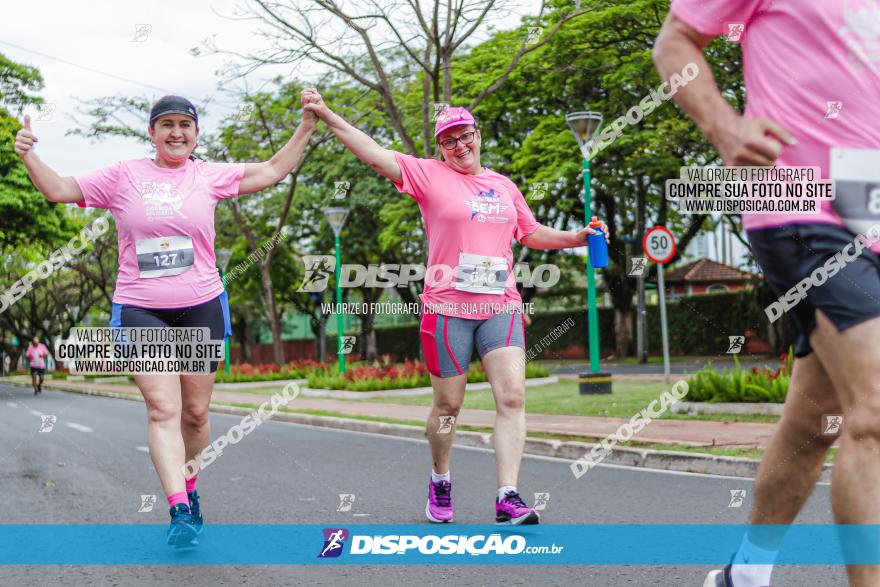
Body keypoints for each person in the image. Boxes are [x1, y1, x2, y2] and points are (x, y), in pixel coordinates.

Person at [14, 94, 318, 546]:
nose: (177, 132)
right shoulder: (123, 176)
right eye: (167, 124)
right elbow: (58, 189)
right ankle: (178, 508)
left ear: (196, 133)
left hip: (201, 305)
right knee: (163, 409)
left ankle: (190, 489)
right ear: (152, 132)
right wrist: (29, 155)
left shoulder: (209, 175)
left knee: (196, 415)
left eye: (185, 125)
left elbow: (273, 170)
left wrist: (308, 126)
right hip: (141, 307)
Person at [301, 89, 609, 525]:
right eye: (449, 140)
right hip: (446, 308)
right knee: (449, 407)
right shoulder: (428, 175)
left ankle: (508, 496)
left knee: (513, 396)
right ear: (440, 147)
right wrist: (328, 115)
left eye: (466, 136)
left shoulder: (504, 186)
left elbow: (531, 232)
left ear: (478, 136)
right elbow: (372, 153)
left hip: (500, 305)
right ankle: (440, 477)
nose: (459, 145)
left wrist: (576, 237)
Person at [653, 2, 880, 585]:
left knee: (817, 420)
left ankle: (745, 575)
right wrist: (723, 126)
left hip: (873, 201)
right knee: (875, 408)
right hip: (803, 201)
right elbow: (675, 42)